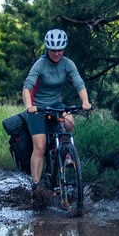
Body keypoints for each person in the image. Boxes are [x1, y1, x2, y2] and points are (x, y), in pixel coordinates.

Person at [22, 29, 92, 196]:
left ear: (64, 49)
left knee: (69, 122)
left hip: (55, 104)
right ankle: (36, 187)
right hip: (37, 108)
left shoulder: (68, 63)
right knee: (40, 146)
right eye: (53, 50)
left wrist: (85, 101)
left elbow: (79, 83)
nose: (56, 53)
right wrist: (29, 105)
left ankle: (66, 154)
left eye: (59, 50)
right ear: (47, 49)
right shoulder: (40, 64)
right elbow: (27, 87)